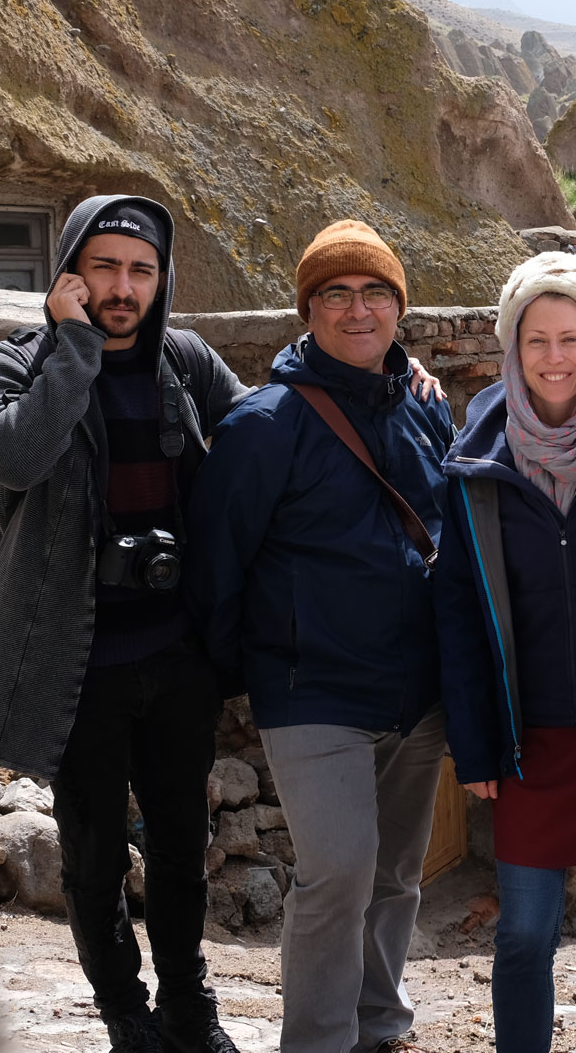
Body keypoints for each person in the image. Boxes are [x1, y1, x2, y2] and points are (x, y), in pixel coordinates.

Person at [0, 195, 246, 1053]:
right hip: (72, 660)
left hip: (177, 652)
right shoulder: (8, 362)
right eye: (106, 267)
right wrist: (75, 345)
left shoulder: (184, 362)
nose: (123, 288)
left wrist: (392, 375)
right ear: (71, 272)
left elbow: (268, 432)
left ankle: (190, 1005)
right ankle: (125, 1011)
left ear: (162, 280)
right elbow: (13, 453)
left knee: (180, 840)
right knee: (90, 852)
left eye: (142, 271)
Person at [186, 220, 454, 1053]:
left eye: (375, 291)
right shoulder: (266, 426)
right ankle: (316, 1040)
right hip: (313, 690)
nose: (357, 308)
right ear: (308, 310)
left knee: (397, 873)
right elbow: (215, 565)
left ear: (399, 308)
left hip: (416, 689)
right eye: (335, 293)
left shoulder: (421, 411)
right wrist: (257, 673)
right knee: (337, 868)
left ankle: (379, 1022)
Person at [434, 252, 576, 1053]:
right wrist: (474, 742)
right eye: (538, 338)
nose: (556, 356)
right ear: (513, 343)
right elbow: (460, 612)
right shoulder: (476, 464)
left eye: (573, 337)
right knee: (526, 933)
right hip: (526, 736)